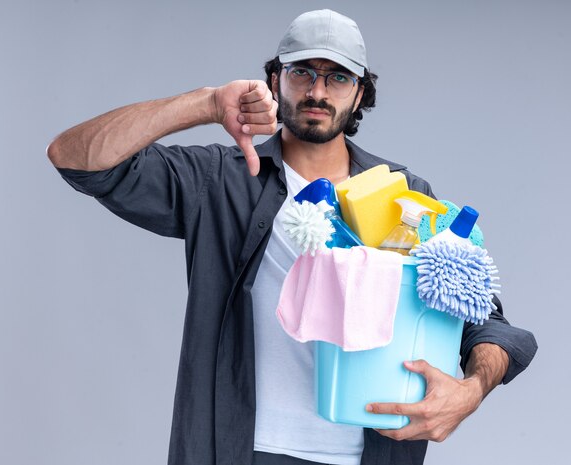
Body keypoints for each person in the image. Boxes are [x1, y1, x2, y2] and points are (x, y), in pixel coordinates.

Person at [47, 9, 537, 465]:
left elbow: (484, 319)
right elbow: (75, 157)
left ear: (360, 92)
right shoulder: (220, 180)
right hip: (239, 449)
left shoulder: (406, 198)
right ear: (275, 80)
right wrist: (205, 103)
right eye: (302, 72)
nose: (317, 91)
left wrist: (470, 391)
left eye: (338, 77)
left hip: (363, 452)